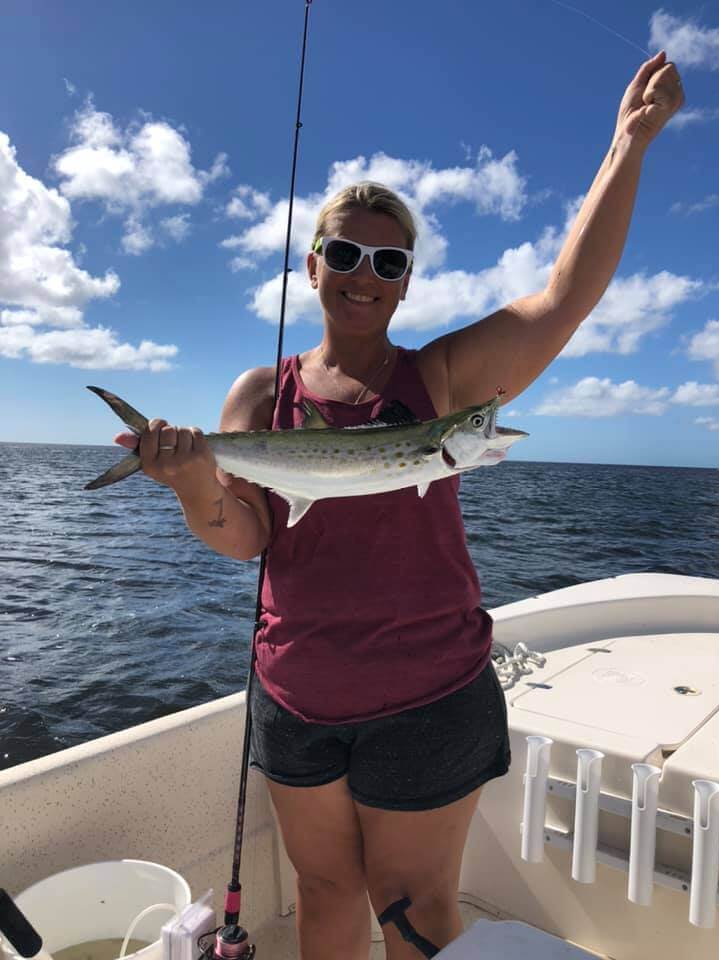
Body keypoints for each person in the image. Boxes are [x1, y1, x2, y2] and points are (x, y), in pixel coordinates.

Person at [116, 52, 683, 960]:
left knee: (416, 910)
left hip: (430, 696)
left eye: (388, 259)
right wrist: (189, 479)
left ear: (408, 280)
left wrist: (629, 144)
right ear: (314, 265)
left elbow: (563, 302)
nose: (364, 272)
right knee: (324, 891)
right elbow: (246, 536)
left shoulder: (444, 380)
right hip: (296, 697)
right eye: (345, 253)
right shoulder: (261, 395)